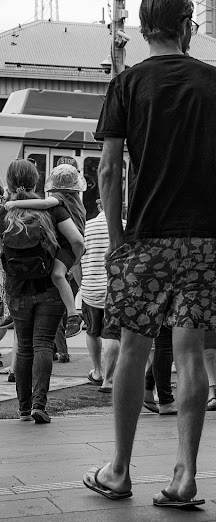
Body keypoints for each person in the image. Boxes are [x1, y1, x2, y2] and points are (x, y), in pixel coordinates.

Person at [88, 0, 216, 507]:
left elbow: (110, 169)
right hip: (204, 240)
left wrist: (116, 239)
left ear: (142, 28)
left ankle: (119, 470)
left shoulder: (127, 84)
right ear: (187, 25)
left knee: (134, 351)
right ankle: (185, 476)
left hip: (144, 240)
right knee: (191, 355)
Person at [1, 159, 84, 423]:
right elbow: (77, 240)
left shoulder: (4, 212)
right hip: (50, 287)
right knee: (43, 344)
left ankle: (23, 408)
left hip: (17, 289)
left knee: (24, 346)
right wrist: (69, 263)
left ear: (9, 182)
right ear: (37, 181)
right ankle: (39, 405)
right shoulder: (53, 209)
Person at [5, 162, 87, 338]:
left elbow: (43, 203)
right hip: (71, 247)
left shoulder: (58, 198)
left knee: (57, 274)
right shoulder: (76, 200)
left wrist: (14, 204)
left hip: (68, 246)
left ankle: (73, 315)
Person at [80, 199, 120, 394]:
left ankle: (97, 371)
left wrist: (82, 283)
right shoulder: (125, 227)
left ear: (98, 207)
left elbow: (76, 259)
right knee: (112, 333)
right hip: (116, 289)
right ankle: (109, 379)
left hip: (89, 288)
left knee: (92, 331)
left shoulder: (86, 227)